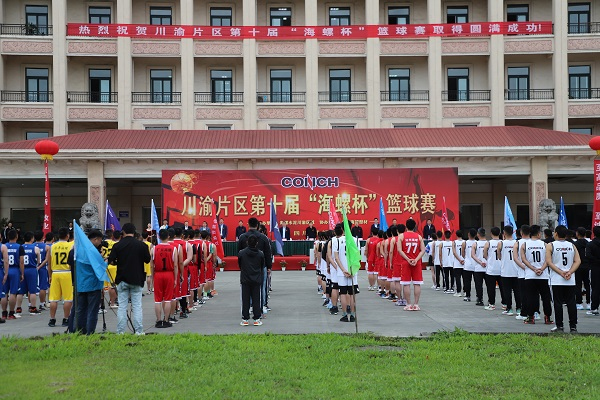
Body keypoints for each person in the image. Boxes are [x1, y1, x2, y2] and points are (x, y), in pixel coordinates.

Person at [108, 223, 151, 335]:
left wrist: (118, 261)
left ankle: (120, 331)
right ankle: (139, 331)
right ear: (134, 232)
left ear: (123, 232)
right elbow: (147, 260)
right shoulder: (142, 245)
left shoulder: (117, 246)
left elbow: (111, 261)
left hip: (122, 278)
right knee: (137, 306)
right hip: (137, 278)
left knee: (122, 306)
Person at [67, 229, 104, 334]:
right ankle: (90, 331)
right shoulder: (93, 251)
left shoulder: (76, 250)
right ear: (95, 239)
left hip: (80, 284)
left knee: (79, 310)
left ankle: (78, 330)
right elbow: (99, 268)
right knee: (92, 310)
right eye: (100, 240)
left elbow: (70, 265)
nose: (100, 243)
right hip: (93, 284)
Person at [547, 225, 581, 332]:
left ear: (556, 233)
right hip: (570, 279)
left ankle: (559, 325)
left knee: (557, 303)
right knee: (571, 302)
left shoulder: (550, 245)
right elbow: (578, 261)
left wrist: (561, 272)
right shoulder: (572, 245)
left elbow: (549, 262)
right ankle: (573, 326)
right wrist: (570, 272)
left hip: (556, 279)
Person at [520, 225, 553, 325]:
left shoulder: (524, 245)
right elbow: (548, 259)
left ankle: (531, 317)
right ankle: (547, 317)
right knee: (546, 297)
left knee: (531, 296)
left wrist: (533, 268)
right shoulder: (545, 244)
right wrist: (541, 269)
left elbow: (523, 259)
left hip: (530, 275)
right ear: (539, 234)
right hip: (543, 275)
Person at [151, 229, 179, 328]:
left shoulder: (154, 248)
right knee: (168, 299)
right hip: (169, 274)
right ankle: (166, 320)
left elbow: (151, 265)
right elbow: (175, 265)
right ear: (168, 237)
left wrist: (152, 277)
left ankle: (158, 320)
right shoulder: (173, 249)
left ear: (158, 237)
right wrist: (175, 278)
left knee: (158, 300)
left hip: (158, 274)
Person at [48, 228, 74, 327]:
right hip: (67, 273)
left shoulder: (52, 246)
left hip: (55, 273)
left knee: (53, 299)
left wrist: (50, 275)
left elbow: (49, 263)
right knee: (68, 298)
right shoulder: (71, 245)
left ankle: (52, 319)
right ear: (67, 236)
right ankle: (66, 319)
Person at [398, 218, 425, 311]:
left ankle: (409, 304)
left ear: (406, 226)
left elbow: (400, 250)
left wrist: (408, 259)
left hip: (406, 263)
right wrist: (416, 259)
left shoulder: (401, 236)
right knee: (417, 283)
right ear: (414, 227)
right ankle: (416, 304)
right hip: (416, 263)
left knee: (406, 284)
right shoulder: (419, 237)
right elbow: (423, 250)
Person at [238, 235, 264, 326]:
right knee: (256, 299)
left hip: (245, 279)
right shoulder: (260, 254)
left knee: (245, 299)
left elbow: (240, 265)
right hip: (256, 279)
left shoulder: (241, 253)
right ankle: (257, 318)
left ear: (247, 242)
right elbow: (261, 266)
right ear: (257, 243)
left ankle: (245, 319)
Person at [498, 226, 519, 316]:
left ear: (504, 233)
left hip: (506, 270)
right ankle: (519, 308)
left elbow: (499, 256)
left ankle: (509, 308)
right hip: (516, 270)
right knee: (517, 291)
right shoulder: (517, 243)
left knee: (507, 291)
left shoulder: (501, 243)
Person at [20, 232, 41, 315]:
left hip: (22, 269)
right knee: (32, 291)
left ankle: (18, 308)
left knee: (20, 291)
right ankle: (33, 307)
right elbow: (38, 261)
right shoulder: (35, 248)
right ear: (32, 238)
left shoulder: (20, 247)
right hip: (32, 269)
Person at [483, 227, 504, 310]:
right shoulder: (502, 242)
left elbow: (484, 255)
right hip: (501, 268)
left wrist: (489, 258)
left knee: (491, 288)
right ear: (499, 233)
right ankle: (504, 303)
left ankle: (491, 303)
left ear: (491, 233)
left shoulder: (488, 243)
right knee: (503, 287)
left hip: (491, 269)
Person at [574, 227, 590, 310]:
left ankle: (579, 302)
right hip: (587, 266)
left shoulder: (575, 244)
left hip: (578, 266)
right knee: (587, 284)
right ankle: (588, 302)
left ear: (577, 234)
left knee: (578, 285)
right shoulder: (588, 243)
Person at [471, 228, 488, 307]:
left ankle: (480, 299)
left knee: (478, 285)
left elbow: (473, 255)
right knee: (489, 285)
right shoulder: (488, 243)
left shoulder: (475, 244)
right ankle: (491, 300)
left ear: (478, 234)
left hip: (478, 267)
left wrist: (480, 262)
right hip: (488, 267)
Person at [586, 225, 600, 316]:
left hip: (595, 268)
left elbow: (588, 256)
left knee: (595, 288)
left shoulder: (590, 244)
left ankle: (594, 308)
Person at [452, 230, 465, 297]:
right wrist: (463, 259)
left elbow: (454, 252)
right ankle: (465, 291)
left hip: (457, 263)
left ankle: (459, 291)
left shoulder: (454, 242)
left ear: (456, 235)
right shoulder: (465, 242)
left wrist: (459, 260)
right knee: (465, 278)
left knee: (458, 278)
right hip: (464, 262)